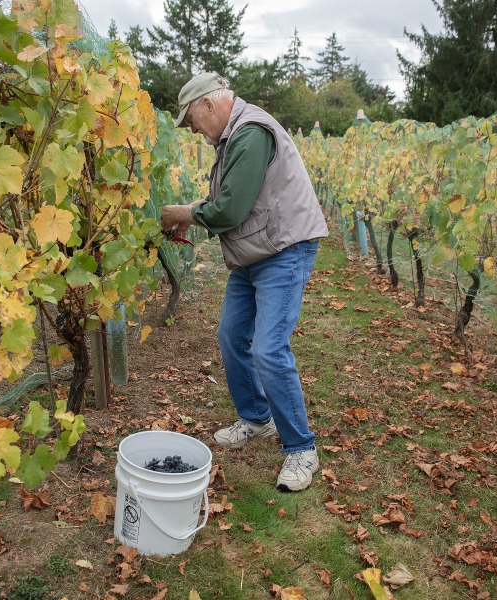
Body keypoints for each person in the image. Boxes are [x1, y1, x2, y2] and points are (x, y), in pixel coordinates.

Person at [160, 73, 329, 492]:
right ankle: (257, 419)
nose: (194, 131)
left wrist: (183, 213)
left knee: (270, 348)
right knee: (232, 336)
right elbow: (232, 201)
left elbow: (229, 210)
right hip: (255, 251)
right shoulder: (233, 136)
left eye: (192, 121)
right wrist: (200, 210)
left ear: (210, 106)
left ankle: (301, 449)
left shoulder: (251, 133)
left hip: (282, 251)